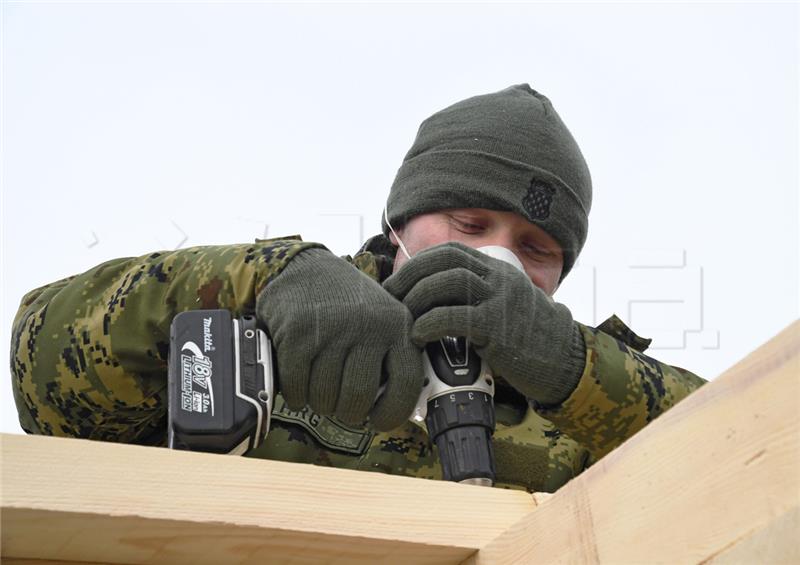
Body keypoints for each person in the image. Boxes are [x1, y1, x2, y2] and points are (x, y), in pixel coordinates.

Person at [9, 84, 705, 493]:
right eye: (470, 221)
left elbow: (749, 456)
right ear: (401, 220)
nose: (499, 256)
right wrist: (270, 274)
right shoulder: (268, 320)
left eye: (537, 248)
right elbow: (44, 379)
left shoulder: (581, 417)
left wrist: (575, 367)